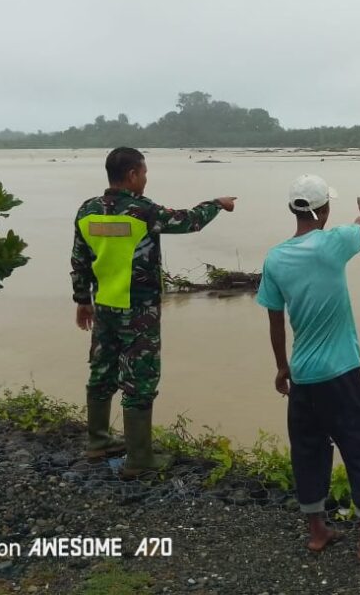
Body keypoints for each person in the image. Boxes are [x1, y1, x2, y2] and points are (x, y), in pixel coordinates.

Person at [256, 174, 360, 564]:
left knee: (308, 450)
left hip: (303, 375)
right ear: (323, 210)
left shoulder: (275, 257)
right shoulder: (333, 244)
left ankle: (317, 532)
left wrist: (281, 367)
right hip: (340, 373)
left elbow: (275, 319)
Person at [71, 146, 236, 478]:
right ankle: (140, 460)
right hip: (138, 310)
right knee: (140, 381)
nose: (146, 179)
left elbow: (79, 259)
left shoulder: (87, 211)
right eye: (144, 173)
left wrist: (82, 300)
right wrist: (217, 204)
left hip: (104, 306)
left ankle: (98, 441)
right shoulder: (141, 211)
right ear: (132, 175)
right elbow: (189, 221)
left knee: (101, 372)